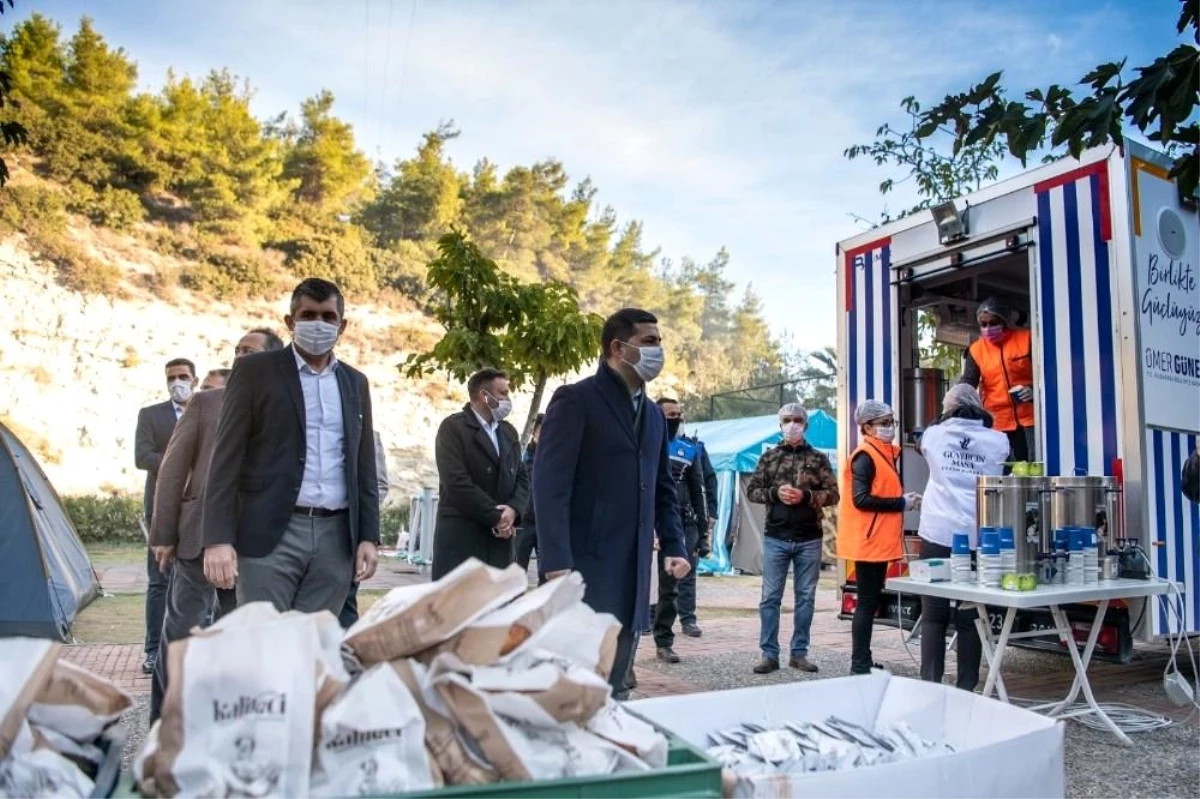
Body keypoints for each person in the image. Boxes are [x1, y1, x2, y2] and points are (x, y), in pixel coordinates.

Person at [534, 307, 691, 700]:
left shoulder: (654, 416)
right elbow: (549, 485)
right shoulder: (576, 400)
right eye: (649, 342)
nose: (659, 350)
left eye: (660, 341)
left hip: (633, 568)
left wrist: (673, 544)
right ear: (618, 348)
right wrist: (555, 562)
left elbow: (662, 489)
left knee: (615, 682)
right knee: (571, 684)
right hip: (583, 568)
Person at [202, 278, 380, 614]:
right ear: (290, 322)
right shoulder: (256, 371)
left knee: (313, 648)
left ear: (342, 326)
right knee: (264, 646)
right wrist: (217, 539)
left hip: (336, 539)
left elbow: (362, 464)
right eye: (308, 314)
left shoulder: (355, 382)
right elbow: (225, 458)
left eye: (328, 317)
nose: (318, 323)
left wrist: (368, 536)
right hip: (270, 534)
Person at [147, 328, 284, 723]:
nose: (240, 355)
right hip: (195, 539)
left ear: (272, 361)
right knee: (181, 639)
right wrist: (163, 535)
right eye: (237, 349)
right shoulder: (206, 403)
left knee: (238, 643)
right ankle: (161, 730)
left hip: (255, 546)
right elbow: (172, 470)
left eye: (250, 351)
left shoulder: (282, 407)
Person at [917, 384, 1009, 691]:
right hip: (975, 535)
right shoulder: (998, 441)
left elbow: (927, 435)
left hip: (937, 532)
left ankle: (931, 683)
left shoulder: (934, 435)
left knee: (933, 614)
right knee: (971, 614)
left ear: (948, 407)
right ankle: (967, 686)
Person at [746, 403, 839, 674]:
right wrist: (776, 493)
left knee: (806, 597)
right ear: (780, 424)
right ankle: (768, 654)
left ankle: (799, 652)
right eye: (787, 420)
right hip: (776, 536)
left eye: (798, 420)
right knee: (770, 597)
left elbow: (834, 495)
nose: (792, 424)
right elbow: (753, 491)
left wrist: (807, 497)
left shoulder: (819, 458)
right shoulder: (769, 457)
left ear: (805, 425)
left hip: (809, 537)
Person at [837, 400, 920, 675]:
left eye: (892, 422)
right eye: (884, 423)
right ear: (867, 427)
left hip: (875, 541)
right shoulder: (865, 456)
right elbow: (861, 499)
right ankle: (859, 663)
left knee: (869, 601)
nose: (890, 428)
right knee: (867, 603)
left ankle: (863, 659)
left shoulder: (883, 454)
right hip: (868, 542)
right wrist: (901, 503)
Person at [430, 368, 530, 580]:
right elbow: (456, 482)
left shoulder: (508, 432)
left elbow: (522, 477)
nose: (507, 399)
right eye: (502, 393)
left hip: (500, 544)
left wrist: (513, 510)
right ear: (485, 396)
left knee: (500, 608)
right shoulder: (453, 428)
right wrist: (496, 517)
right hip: (463, 540)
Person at [134, 357, 196, 675]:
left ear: (194, 380)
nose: (177, 382)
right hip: (160, 507)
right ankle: (153, 651)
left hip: (197, 510)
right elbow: (142, 456)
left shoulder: (205, 409)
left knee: (195, 582)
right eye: (171, 377)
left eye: (183, 376)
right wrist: (181, 465)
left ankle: (188, 649)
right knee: (159, 582)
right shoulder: (151, 415)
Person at [651, 398, 708, 663]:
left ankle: (664, 641)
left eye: (678, 414)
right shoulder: (645, 444)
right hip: (646, 524)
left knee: (670, 586)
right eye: (670, 415)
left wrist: (703, 527)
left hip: (679, 524)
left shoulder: (689, 448)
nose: (676, 419)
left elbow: (698, 489)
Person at [960, 296, 1036, 463]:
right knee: (1003, 468)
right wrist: (956, 400)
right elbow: (968, 381)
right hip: (997, 421)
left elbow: (1046, 374)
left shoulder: (1027, 340)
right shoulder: (976, 350)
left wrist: (1033, 389)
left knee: (1032, 465)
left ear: (1004, 321)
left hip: (1030, 418)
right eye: (983, 324)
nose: (988, 328)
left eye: (993, 323)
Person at [339, 430, 390, 628]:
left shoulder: (369, 435)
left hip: (348, 534)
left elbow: (380, 485)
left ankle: (346, 653)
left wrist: (362, 518)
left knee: (345, 605)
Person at [514, 414, 545, 579]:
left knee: (546, 574)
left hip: (545, 524)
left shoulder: (555, 460)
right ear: (534, 433)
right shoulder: (522, 460)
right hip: (523, 523)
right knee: (517, 572)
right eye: (541, 431)